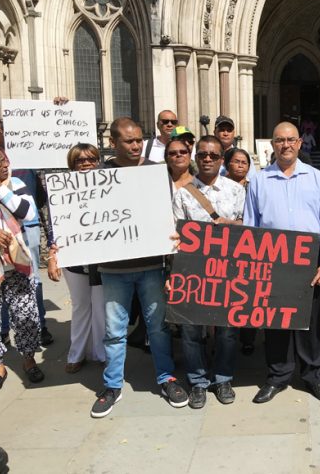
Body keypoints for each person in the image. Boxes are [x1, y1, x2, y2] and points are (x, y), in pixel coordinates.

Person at [90, 117, 188, 418]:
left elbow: (167, 213)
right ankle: (112, 386)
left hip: (150, 266)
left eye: (138, 140)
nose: (135, 146)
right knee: (115, 331)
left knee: (157, 327)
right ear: (113, 143)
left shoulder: (155, 173)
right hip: (113, 269)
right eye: (128, 141)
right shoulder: (98, 176)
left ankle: (166, 378)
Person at [244, 121, 320, 404]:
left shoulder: (316, 178)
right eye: (279, 140)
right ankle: (277, 376)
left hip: (308, 262)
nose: (286, 145)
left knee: (309, 323)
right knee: (275, 324)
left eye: (291, 140)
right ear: (272, 145)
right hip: (271, 262)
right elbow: (252, 225)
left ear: (300, 143)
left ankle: (313, 376)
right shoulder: (259, 180)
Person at [172, 135, 246, 409]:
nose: (207, 159)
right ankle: (198, 382)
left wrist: (232, 225)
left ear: (221, 159)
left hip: (229, 272)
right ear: (195, 157)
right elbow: (176, 237)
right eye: (202, 154)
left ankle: (223, 378)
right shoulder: (182, 194)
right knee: (192, 332)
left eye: (213, 155)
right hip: (193, 273)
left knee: (227, 330)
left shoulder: (237, 191)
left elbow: (247, 226)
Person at [0, 115, 53, 347]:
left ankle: (33, 344)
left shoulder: (17, 179)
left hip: (22, 245)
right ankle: (0, 342)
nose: (5, 165)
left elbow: (29, 211)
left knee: (27, 295)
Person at [0, 144, 44, 392]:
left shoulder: (14, 185)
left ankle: (28, 359)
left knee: (25, 313)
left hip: (17, 262)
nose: (6, 165)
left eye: (5, 160)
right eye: (0, 162)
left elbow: (27, 213)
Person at [46, 144, 105, 373]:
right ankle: (76, 353)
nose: (86, 163)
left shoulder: (109, 186)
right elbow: (54, 226)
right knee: (81, 306)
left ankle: (101, 353)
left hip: (102, 259)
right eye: (80, 160)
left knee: (100, 307)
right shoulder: (61, 191)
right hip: (75, 259)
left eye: (91, 159)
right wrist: (53, 256)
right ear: (72, 164)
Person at [223, 148, 257, 355]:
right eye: (236, 161)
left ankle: (248, 338)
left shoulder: (254, 187)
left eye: (245, 162)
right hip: (226, 249)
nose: (241, 165)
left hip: (249, 249)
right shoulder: (220, 188)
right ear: (227, 164)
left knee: (249, 295)